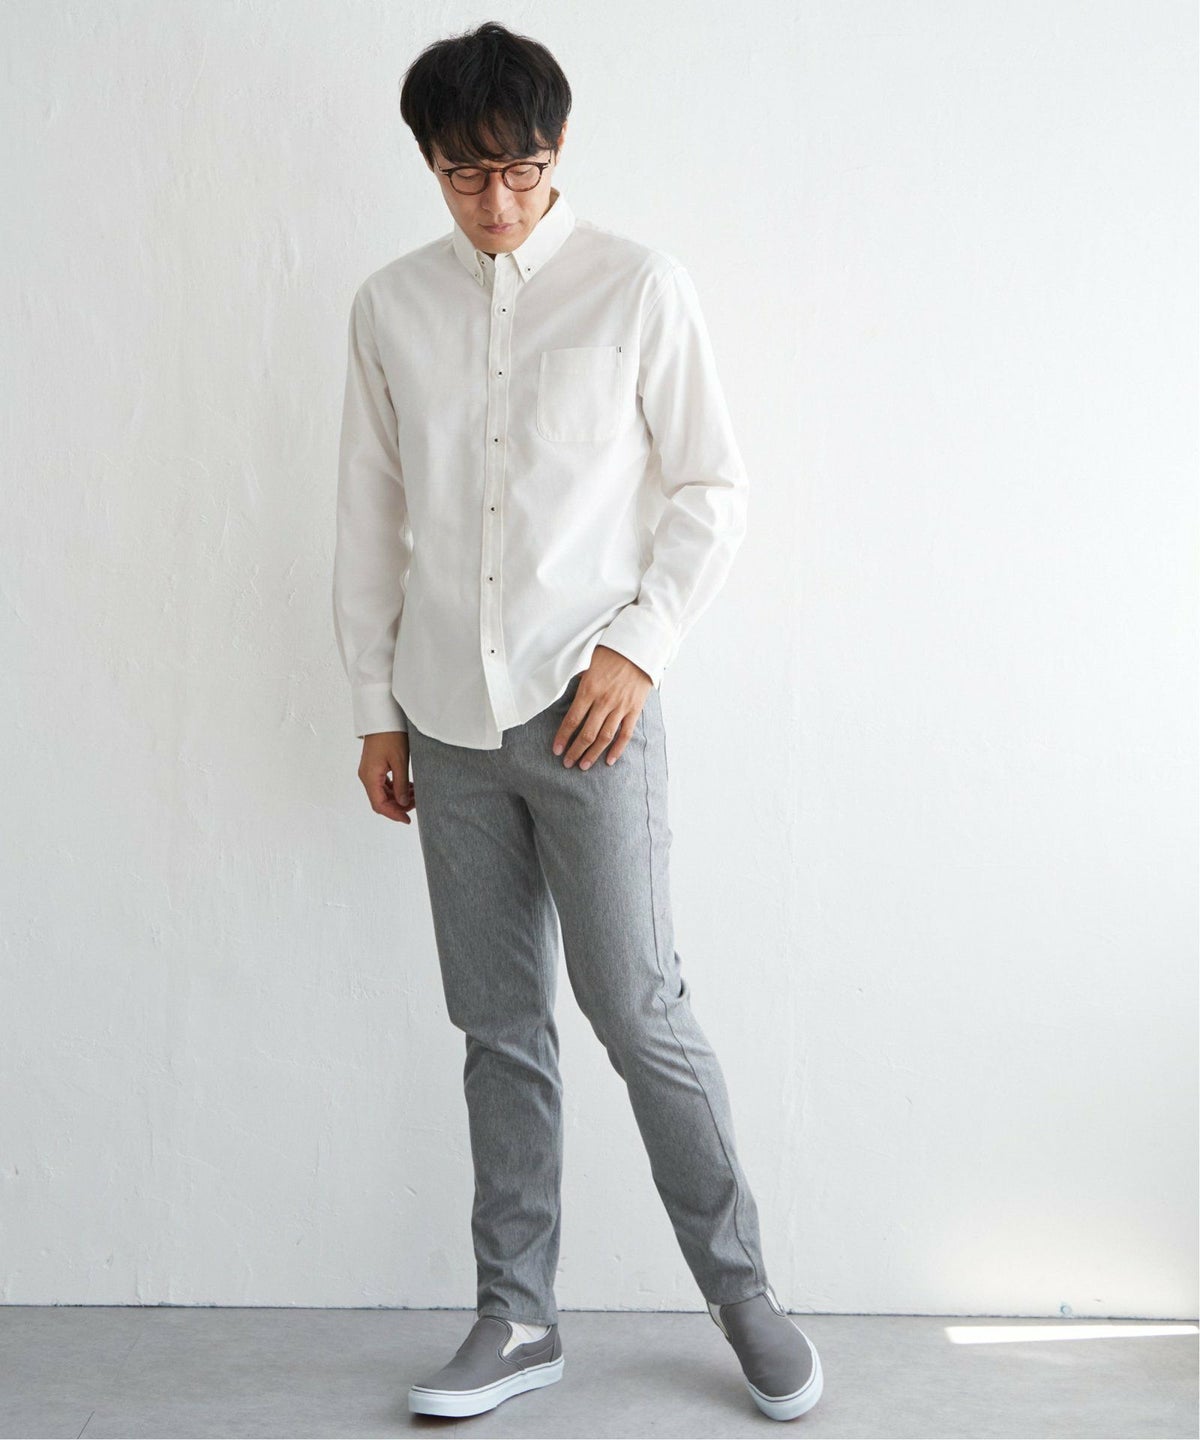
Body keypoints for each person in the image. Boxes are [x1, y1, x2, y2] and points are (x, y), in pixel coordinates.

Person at [331, 19, 823, 1425]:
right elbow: (368, 514)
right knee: (498, 1028)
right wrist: (374, 710)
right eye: (466, 174)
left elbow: (713, 490)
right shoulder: (389, 306)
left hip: (590, 714)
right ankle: (517, 1316)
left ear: (558, 154)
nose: (499, 202)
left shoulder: (637, 286)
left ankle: (743, 1293)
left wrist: (639, 648)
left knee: (638, 1008)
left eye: (524, 170)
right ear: (429, 163)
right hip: (444, 722)